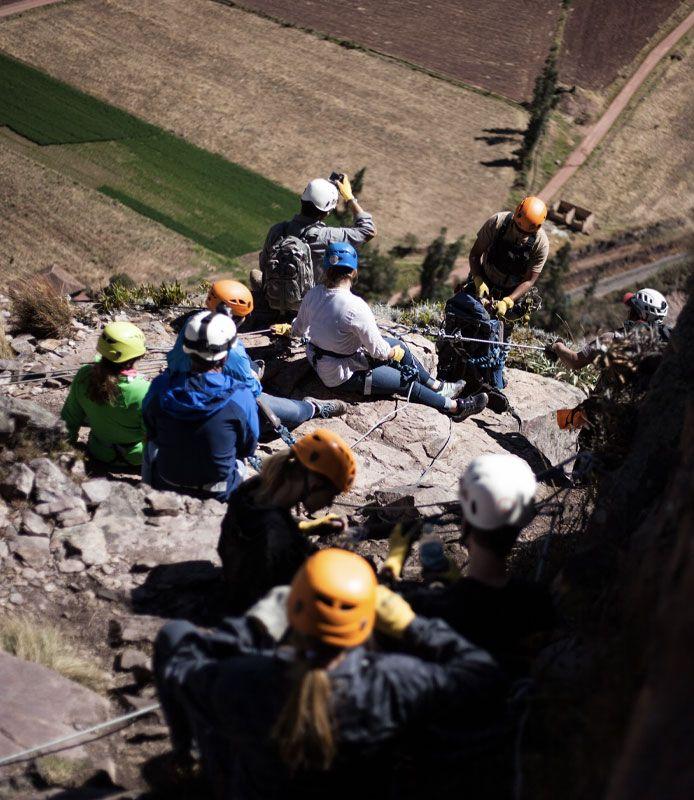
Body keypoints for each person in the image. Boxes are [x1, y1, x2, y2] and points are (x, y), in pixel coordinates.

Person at [153, 548, 506, 798]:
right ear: (368, 621)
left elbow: (181, 665)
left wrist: (254, 626)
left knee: (174, 634)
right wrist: (411, 625)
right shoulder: (394, 682)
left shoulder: (245, 680)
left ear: (293, 609)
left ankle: (185, 758)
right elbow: (483, 674)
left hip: (246, 782)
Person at [272, 242, 489, 422]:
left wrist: (288, 330)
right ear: (353, 271)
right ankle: (454, 407)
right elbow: (378, 351)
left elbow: (298, 330)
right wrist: (392, 354)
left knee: (400, 347)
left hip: (323, 360)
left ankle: (438, 386)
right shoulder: (355, 307)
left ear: (326, 268)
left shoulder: (313, 294)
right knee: (405, 380)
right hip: (340, 375)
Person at [385, 453, 555, 676]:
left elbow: (367, 608)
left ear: (466, 521)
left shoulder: (433, 607)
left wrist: (392, 565)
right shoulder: (538, 600)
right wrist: (449, 583)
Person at [168, 279, 346, 435]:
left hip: (184, 391)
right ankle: (314, 408)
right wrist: (253, 375)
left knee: (252, 367)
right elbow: (252, 390)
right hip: (219, 404)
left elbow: (173, 360)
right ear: (239, 319)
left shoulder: (193, 323)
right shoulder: (233, 350)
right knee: (296, 412)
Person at [217, 428, 356, 612]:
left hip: (235, 584)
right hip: (262, 614)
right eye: (331, 494)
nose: (330, 503)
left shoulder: (253, 488)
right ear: (314, 485)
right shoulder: (278, 535)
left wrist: (309, 526)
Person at [143, 311, 259, 501]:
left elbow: (150, 427)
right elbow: (247, 446)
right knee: (240, 462)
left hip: (167, 483)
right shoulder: (240, 395)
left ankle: (147, 493)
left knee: (150, 445)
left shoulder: (160, 386)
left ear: (187, 349)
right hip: (218, 491)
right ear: (225, 356)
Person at [256, 174, 377, 289]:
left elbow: (263, 265)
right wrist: (349, 197)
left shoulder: (278, 230)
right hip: (307, 302)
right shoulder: (327, 237)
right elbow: (368, 230)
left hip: (274, 296)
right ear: (327, 212)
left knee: (255, 274)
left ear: (302, 200)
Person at [61, 322, 149, 467]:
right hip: (137, 457)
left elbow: (69, 419)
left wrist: (62, 450)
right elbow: (154, 435)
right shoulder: (144, 390)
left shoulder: (84, 375)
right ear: (137, 355)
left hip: (99, 451)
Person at [466, 195, 549, 323]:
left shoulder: (541, 244)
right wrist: (478, 279)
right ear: (515, 217)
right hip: (484, 278)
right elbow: (475, 254)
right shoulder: (496, 223)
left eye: (526, 233)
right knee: (466, 315)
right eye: (518, 228)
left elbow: (529, 280)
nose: (521, 234)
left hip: (513, 290)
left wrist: (509, 300)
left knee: (501, 329)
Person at [547, 287, 670, 371]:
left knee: (560, 411)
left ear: (640, 314)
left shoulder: (611, 339)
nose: (629, 311)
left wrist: (558, 346)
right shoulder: (664, 343)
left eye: (632, 309)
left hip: (608, 405)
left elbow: (574, 361)